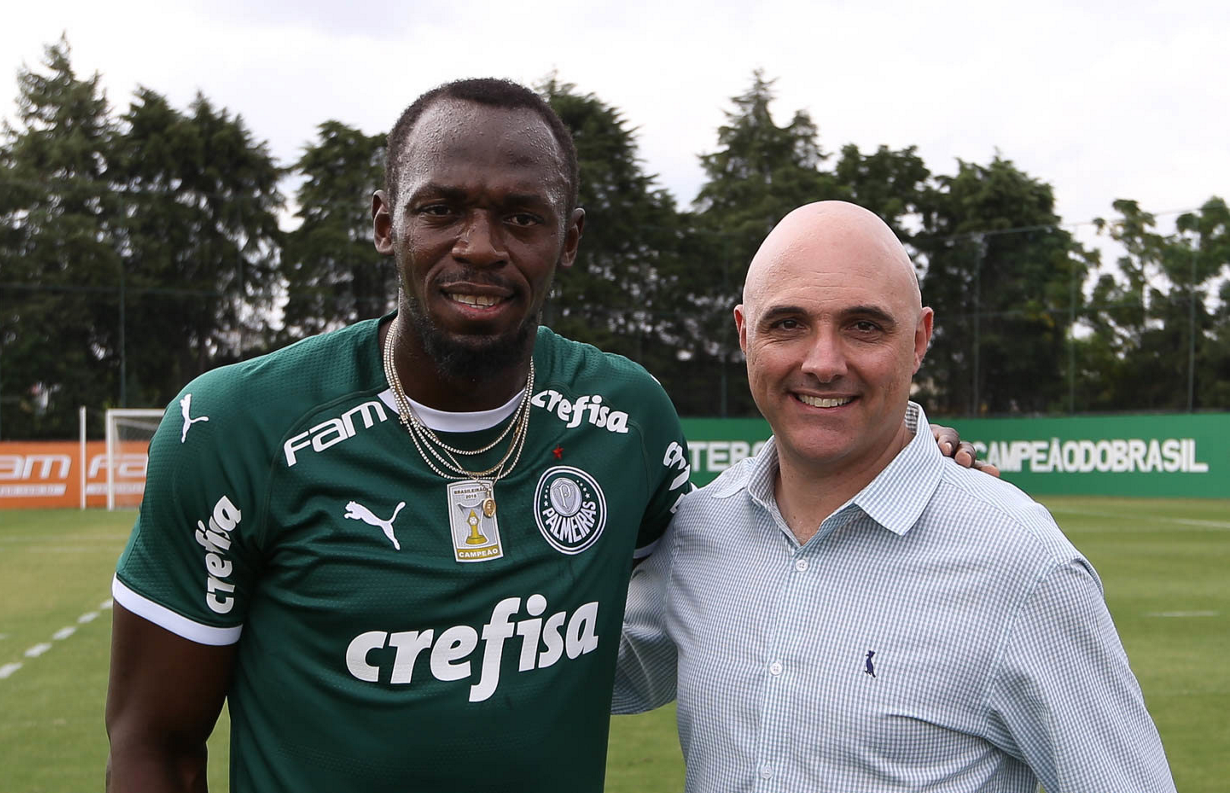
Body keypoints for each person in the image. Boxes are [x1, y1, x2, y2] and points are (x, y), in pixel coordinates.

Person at [105, 80, 981, 792]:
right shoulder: (235, 427)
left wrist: (887, 456)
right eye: (440, 209)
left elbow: (743, 561)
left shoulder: (627, 417)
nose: (480, 246)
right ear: (383, 222)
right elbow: (154, 744)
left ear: (569, 239)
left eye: (523, 216)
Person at [613, 201, 1176, 792]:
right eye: (788, 323)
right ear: (745, 335)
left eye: (864, 326)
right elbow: (576, 671)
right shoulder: (701, 529)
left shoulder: (1022, 564)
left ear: (918, 339)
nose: (824, 363)